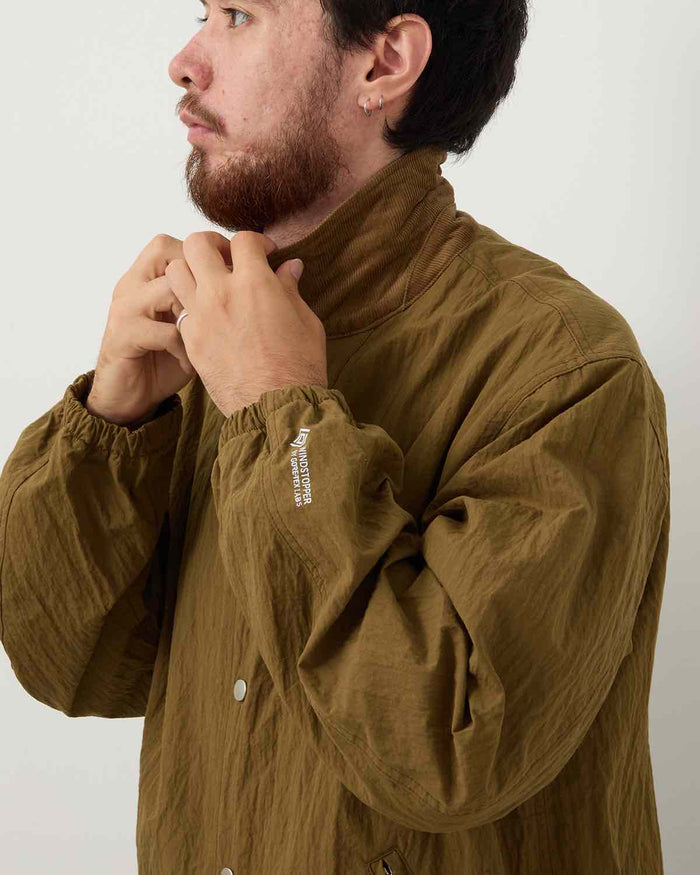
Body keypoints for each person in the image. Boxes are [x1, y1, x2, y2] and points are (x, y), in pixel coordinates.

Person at [0, 2, 670, 873]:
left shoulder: (566, 369)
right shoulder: (211, 334)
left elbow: (447, 751)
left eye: (239, 15)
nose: (184, 61)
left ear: (384, 62)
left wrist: (280, 413)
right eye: (203, 12)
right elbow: (76, 664)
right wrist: (114, 420)